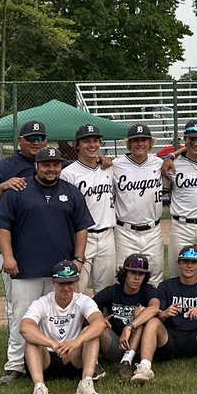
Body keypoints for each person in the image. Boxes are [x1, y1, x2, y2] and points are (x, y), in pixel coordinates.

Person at [0, 146, 93, 386]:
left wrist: (78, 258)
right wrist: (8, 256)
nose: (51, 168)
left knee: (69, 318)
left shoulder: (71, 191)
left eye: (56, 164)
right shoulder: (19, 190)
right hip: (26, 267)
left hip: (62, 271)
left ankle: (67, 359)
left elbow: (81, 228)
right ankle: (14, 365)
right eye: (46, 164)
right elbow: (1, 226)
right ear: (36, 165)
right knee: (21, 317)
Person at [0, 119, 45, 384]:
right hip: (12, 250)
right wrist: (3, 186)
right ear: (20, 140)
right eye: (31, 138)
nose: (36, 142)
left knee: (50, 308)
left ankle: (45, 358)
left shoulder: (54, 165)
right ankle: (16, 363)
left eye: (40, 138)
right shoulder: (2, 168)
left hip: (47, 249)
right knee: (18, 309)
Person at [131, 246, 197, 382]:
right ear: (178, 264)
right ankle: (145, 367)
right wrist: (165, 313)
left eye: (193, 262)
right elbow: (155, 313)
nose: (189, 266)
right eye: (185, 262)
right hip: (170, 339)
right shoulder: (166, 286)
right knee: (153, 321)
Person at [21, 262, 107, 394]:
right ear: (54, 282)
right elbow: (25, 327)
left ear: (76, 282)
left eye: (70, 283)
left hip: (73, 357)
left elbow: (99, 323)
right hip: (47, 358)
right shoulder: (42, 302)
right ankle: (39, 388)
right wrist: (53, 344)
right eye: (62, 283)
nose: (66, 288)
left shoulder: (83, 300)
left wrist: (75, 342)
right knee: (31, 340)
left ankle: (86, 382)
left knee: (90, 333)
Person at [60, 123, 117, 294]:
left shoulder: (108, 168)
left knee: (106, 290)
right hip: (83, 236)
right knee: (77, 289)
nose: (92, 145)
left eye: (95, 141)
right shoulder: (68, 173)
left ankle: (102, 321)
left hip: (107, 235)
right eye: (86, 141)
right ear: (77, 145)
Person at [162, 119, 197, 282]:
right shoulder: (173, 165)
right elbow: (165, 190)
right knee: (176, 274)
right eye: (191, 139)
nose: (196, 143)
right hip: (181, 226)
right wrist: (169, 156)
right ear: (184, 140)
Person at [111, 123, 166, 285]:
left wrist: (169, 157)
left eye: (144, 140)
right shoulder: (116, 165)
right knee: (123, 275)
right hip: (125, 231)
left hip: (153, 230)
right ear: (128, 144)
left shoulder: (158, 163)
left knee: (154, 275)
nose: (140, 144)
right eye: (135, 140)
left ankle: (152, 310)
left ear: (150, 143)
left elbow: (182, 152)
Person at [93, 253, 159, 381]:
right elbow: (88, 309)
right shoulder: (112, 291)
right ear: (125, 273)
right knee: (97, 323)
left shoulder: (148, 290)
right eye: (133, 272)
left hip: (137, 345)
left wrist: (129, 327)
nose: (137, 277)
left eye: (141, 274)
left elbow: (155, 308)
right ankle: (94, 365)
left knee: (142, 312)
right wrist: (99, 318)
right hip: (115, 344)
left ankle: (126, 362)